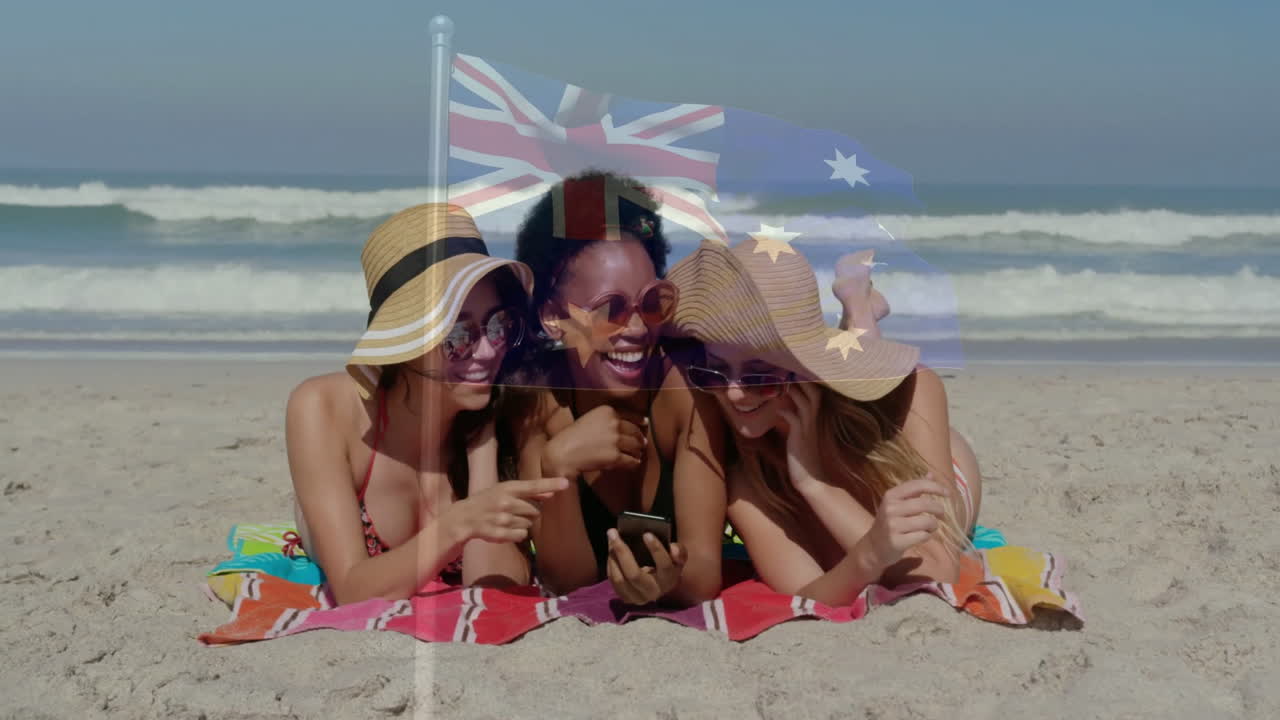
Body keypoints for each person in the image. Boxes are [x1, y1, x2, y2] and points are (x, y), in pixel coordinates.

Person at [664, 237, 984, 607]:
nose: (734, 394)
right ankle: (858, 313)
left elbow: (938, 571)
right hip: (829, 413)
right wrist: (869, 551)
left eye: (759, 377)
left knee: (863, 389)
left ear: (802, 369)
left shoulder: (913, 391)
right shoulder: (745, 474)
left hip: (915, 454)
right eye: (715, 372)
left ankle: (859, 310)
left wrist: (818, 485)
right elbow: (805, 593)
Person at [287, 203, 568, 605]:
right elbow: (353, 591)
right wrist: (459, 523)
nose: (488, 351)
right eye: (457, 335)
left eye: (497, 324)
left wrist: (483, 449)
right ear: (406, 340)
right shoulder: (324, 409)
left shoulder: (501, 408)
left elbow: (493, 595)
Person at [513, 171, 727, 606]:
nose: (637, 329)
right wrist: (558, 468)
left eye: (651, 303)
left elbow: (704, 572)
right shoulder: (538, 401)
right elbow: (565, 583)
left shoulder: (683, 392)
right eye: (610, 309)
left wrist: (668, 584)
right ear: (552, 318)